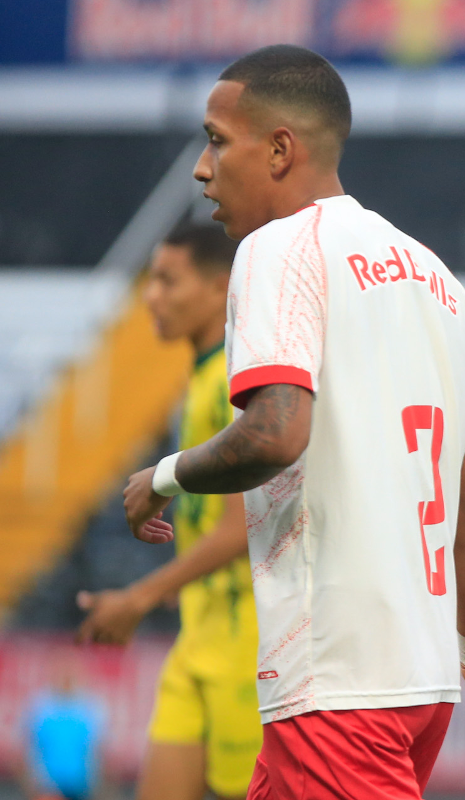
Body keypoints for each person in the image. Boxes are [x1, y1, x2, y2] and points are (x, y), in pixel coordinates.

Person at [120, 44, 465, 800]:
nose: (201, 167)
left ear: (281, 149)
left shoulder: (277, 250)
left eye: (217, 139)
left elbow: (277, 433)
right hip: (417, 682)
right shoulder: (437, 280)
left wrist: (163, 476)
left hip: (337, 676)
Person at [77, 221, 260, 800]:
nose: (151, 296)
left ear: (217, 288)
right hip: (199, 639)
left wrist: (140, 597)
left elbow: (240, 531)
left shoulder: (235, 377)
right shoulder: (203, 377)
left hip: (246, 649)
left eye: (166, 280)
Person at [21, 650, 108, 800]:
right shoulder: (40, 707)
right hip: (47, 786)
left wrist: (102, 786)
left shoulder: (90, 708)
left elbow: (99, 751)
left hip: (81, 786)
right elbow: (26, 748)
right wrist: (29, 785)